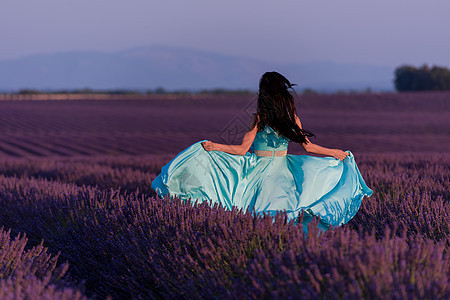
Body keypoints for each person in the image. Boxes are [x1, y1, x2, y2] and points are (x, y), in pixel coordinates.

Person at [151, 71, 373, 232]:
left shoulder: (258, 118)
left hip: (258, 171)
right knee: (287, 209)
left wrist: (214, 147)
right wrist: (334, 153)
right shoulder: (291, 119)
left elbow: (241, 150)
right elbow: (308, 147)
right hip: (284, 170)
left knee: (257, 212)